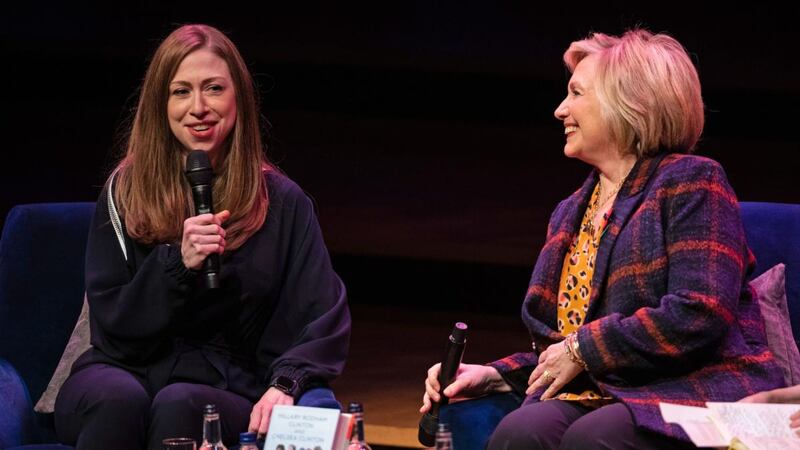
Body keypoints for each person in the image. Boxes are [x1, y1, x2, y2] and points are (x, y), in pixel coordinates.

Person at [421, 28, 784, 449]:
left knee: (594, 438)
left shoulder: (692, 181)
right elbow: (567, 346)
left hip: (694, 388)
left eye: (577, 94)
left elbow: (698, 312)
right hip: (609, 389)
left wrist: (580, 350)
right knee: (523, 432)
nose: (560, 110)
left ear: (629, 105)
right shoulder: (570, 212)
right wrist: (500, 375)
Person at [53, 24, 350, 450]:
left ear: (238, 99)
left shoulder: (283, 203)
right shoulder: (125, 190)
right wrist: (176, 264)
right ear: (160, 103)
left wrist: (288, 382)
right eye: (180, 92)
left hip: (223, 382)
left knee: (183, 403)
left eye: (213, 89)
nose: (198, 108)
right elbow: (113, 322)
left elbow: (322, 317)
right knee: (117, 400)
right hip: (123, 366)